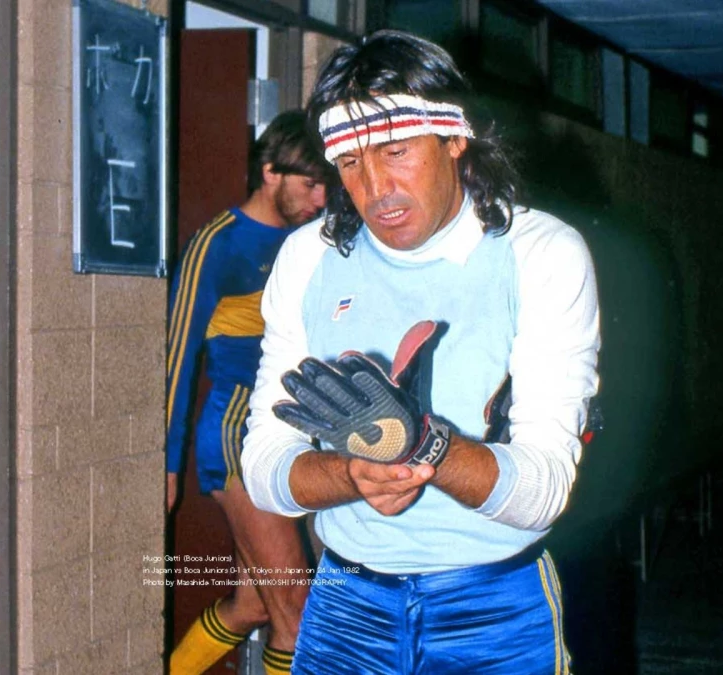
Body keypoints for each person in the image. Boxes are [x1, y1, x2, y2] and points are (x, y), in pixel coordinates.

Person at [240, 30, 601, 674]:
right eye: (350, 162)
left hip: (494, 605)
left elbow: (545, 491)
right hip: (346, 600)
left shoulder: (541, 254)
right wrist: (354, 474)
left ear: (455, 137)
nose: (376, 186)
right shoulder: (308, 257)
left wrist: (422, 448)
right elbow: (264, 468)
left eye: (396, 151)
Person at [165, 110, 335, 675]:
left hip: (289, 431)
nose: (320, 199)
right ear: (270, 172)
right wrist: (169, 465)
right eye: (310, 184)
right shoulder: (218, 243)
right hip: (237, 433)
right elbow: (177, 358)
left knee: (254, 605)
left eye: (326, 186)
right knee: (298, 614)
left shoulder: (309, 241)